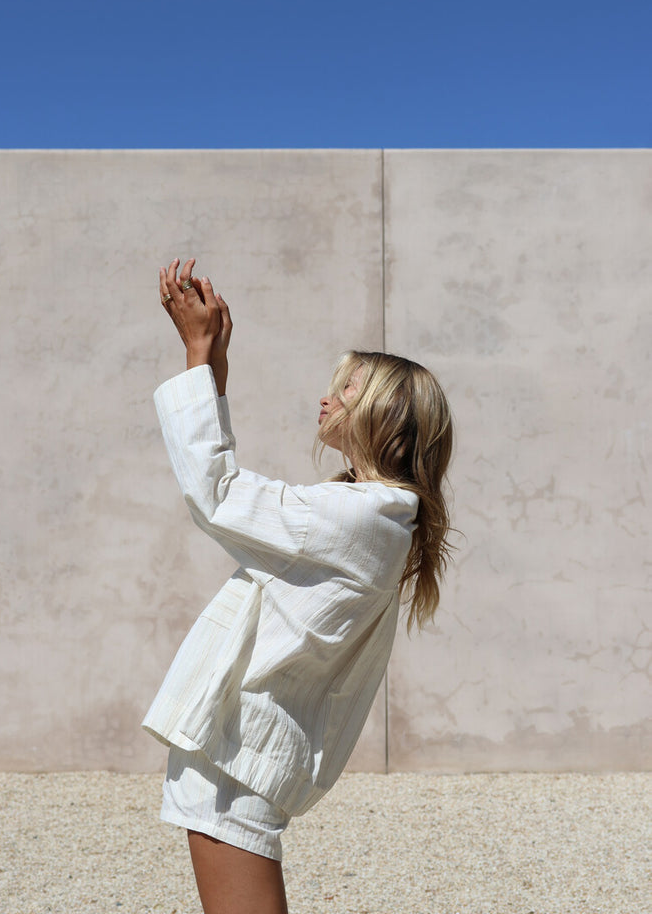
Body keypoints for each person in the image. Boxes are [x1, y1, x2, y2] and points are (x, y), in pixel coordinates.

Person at [144, 257, 455, 914]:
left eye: (346, 390)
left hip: (237, 757)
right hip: (233, 751)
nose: (327, 397)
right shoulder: (363, 511)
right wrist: (210, 368)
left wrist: (201, 356)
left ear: (384, 414)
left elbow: (219, 494)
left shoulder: (365, 515)